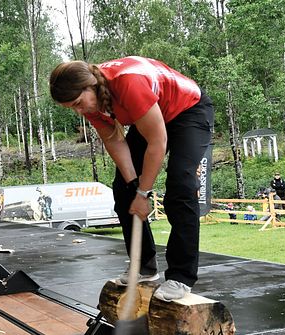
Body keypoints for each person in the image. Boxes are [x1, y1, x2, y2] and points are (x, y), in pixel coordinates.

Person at [50, 56, 213, 301]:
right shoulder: (94, 102)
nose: (78, 111)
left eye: (77, 103)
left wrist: (143, 194)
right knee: (123, 190)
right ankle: (144, 267)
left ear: (90, 84)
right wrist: (134, 187)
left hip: (188, 111)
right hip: (151, 115)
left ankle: (181, 276)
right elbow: (114, 141)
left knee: (181, 185)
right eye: (72, 108)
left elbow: (158, 143)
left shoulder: (128, 84)